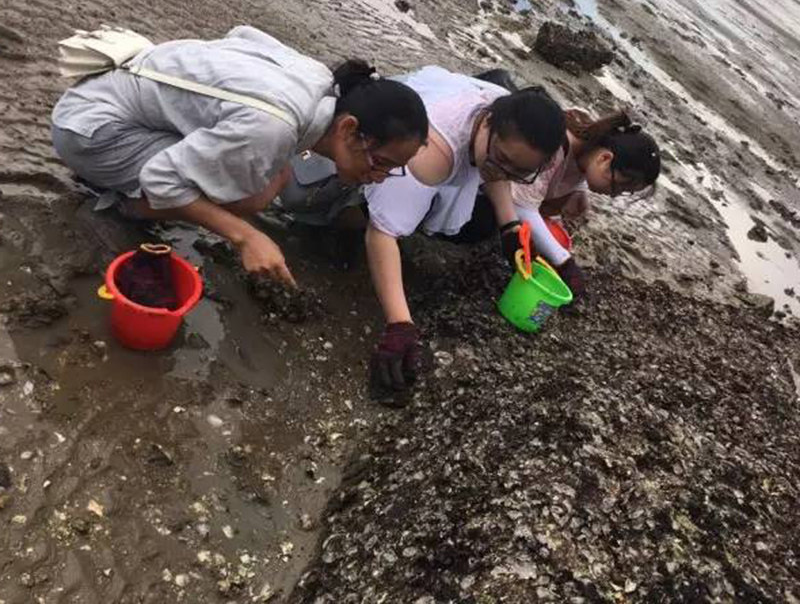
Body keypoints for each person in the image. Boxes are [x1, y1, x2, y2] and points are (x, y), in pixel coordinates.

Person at [51, 26, 428, 285]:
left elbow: (243, 34)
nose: (378, 178)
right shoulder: (274, 127)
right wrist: (246, 237)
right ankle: (128, 207)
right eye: (381, 164)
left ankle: (131, 188)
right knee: (253, 194)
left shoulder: (317, 80)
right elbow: (161, 178)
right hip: (90, 129)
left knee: (272, 173)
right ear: (348, 129)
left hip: (116, 90)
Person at [362, 66, 566, 403]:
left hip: (448, 114)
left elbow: (500, 170)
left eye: (521, 171)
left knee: (483, 223)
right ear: (487, 123)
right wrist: (400, 325)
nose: (507, 172)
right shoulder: (430, 156)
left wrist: (510, 228)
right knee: (381, 217)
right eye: (502, 158)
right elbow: (380, 234)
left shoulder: (506, 109)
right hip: (386, 138)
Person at [512, 109, 661, 296]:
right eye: (617, 186)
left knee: (564, 209)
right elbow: (520, 206)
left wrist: (578, 191)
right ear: (605, 158)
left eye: (624, 192)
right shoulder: (556, 146)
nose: (614, 195)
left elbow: (580, 169)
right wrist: (564, 261)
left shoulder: (591, 147)